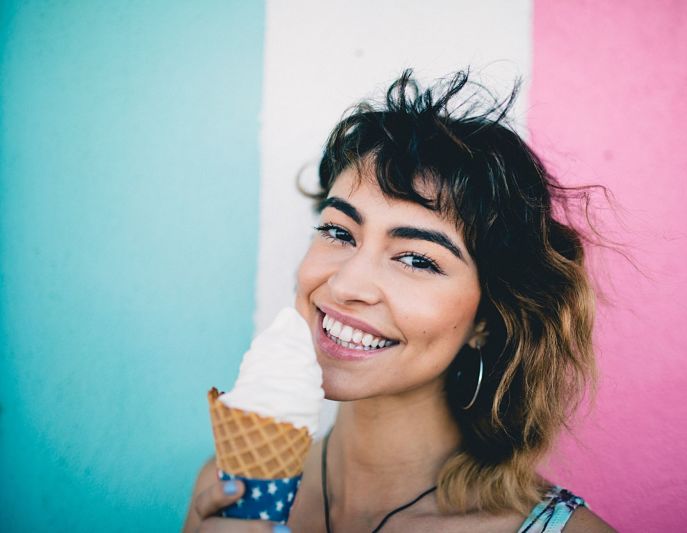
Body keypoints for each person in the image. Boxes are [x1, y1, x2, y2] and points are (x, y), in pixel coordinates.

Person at [183, 69, 616, 532]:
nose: (348, 284)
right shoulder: (226, 493)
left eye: (415, 259)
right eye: (338, 232)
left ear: (486, 319)